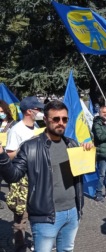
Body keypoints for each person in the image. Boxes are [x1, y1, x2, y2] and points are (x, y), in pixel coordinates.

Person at [0, 100, 93, 251]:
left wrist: (86, 152)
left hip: (72, 212)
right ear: (45, 120)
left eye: (64, 119)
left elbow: (83, 173)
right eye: (56, 119)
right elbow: (13, 176)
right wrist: (2, 156)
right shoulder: (30, 147)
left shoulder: (72, 144)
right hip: (45, 216)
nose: (61, 123)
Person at [5, 96, 44, 251]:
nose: (41, 112)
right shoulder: (16, 129)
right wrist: (26, 148)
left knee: (39, 211)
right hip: (23, 179)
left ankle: (39, 242)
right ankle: (20, 246)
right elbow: (9, 154)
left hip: (39, 175)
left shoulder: (36, 126)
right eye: (38, 109)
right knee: (22, 215)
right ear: (29, 111)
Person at [0, 100, 17, 210]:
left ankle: (15, 200)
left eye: (1, 111)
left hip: (10, 154)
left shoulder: (14, 124)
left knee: (12, 179)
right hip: (0, 153)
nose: (0, 114)